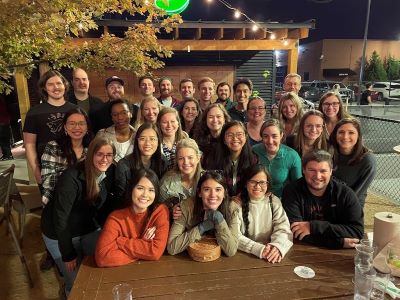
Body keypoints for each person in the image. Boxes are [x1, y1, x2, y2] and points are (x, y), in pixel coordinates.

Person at [41, 136, 117, 296]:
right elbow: (60, 219)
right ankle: (67, 292)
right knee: (77, 285)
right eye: (100, 154)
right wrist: (68, 253)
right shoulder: (71, 177)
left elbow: (105, 206)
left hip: (87, 227)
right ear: (91, 155)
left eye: (109, 155)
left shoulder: (108, 172)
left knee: (101, 266)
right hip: (60, 232)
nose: (105, 159)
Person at [282, 150, 364, 249]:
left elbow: (357, 232)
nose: (317, 176)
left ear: (331, 171)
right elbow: (296, 232)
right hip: (302, 248)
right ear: (303, 170)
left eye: (323, 171)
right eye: (312, 170)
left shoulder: (345, 194)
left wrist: (313, 227)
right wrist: (339, 242)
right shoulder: (292, 191)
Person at [95, 168, 170, 267]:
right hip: (119, 276)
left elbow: (155, 252)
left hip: (151, 272)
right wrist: (143, 247)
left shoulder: (160, 212)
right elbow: (102, 258)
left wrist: (121, 242)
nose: (145, 195)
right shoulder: (116, 218)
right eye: (140, 188)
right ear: (131, 189)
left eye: (151, 190)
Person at [23, 70, 77, 185]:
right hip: (47, 169)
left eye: (59, 83)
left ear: (65, 85)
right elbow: (29, 144)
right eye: (50, 84)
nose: (56, 87)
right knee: (50, 202)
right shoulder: (34, 113)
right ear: (44, 88)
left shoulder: (76, 110)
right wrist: (36, 170)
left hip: (74, 167)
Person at [167, 171, 239, 257]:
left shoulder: (232, 208)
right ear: (199, 193)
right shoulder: (186, 207)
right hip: (189, 259)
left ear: (224, 193)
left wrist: (219, 220)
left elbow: (231, 251)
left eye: (218, 189)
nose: (213, 195)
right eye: (207, 189)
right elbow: (172, 248)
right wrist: (201, 227)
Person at [233, 165, 293, 263]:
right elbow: (234, 235)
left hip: (270, 256)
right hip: (243, 256)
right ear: (245, 183)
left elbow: (283, 228)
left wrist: (278, 246)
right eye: (253, 181)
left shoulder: (274, 201)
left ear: (268, 184)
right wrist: (258, 248)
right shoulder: (236, 204)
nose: (257, 186)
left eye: (262, 182)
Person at [41, 108, 93, 205]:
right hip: (59, 199)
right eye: (72, 123)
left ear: (87, 127)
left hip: (86, 198)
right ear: (65, 127)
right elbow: (48, 182)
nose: (77, 127)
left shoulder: (93, 148)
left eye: (81, 123)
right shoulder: (53, 146)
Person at [329, 118, 376, 208]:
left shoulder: (367, 161)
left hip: (349, 206)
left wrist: (333, 206)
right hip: (329, 201)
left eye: (351, 132)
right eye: (341, 132)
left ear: (358, 136)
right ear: (335, 134)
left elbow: (355, 194)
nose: (345, 137)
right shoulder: (330, 153)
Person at [252, 119, 302, 198]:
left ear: (281, 135)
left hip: (282, 200)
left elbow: (298, 186)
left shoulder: (292, 156)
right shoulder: (253, 151)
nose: (270, 141)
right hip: (256, 198)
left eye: (274, 136)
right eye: (265, 136)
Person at [205, 121, 256, 196]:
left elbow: (254, 184)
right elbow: (211, 184)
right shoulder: (213, 158)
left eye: (239, 134)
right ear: (224, 140)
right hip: (220, 201)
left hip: (245, 201)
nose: (235, 138)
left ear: (246, 137)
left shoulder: (253, 159)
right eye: (230, 135)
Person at [115, 123, 165, 198]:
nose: (147, 143)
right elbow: (120, 197)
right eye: (142, 139)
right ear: (136, 141)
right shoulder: (124, 165)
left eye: (152, 139)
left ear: (158, 142)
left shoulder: (162, 161)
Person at [160, 138, 202, 211]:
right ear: (176, 160)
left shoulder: (208, 180)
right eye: (181, 158)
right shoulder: (167, 182)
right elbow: (160, 209)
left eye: (190, 157)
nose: (186, 162)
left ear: (198, 158)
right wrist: (171, 210)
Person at [67, 68, 105, 133]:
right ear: (72, 83)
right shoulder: (66, 103)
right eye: (77, 80)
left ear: (88, 82)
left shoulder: (99, 103)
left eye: (84, 79)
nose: (81, 82)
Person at [0, 95, 13, 160]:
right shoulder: (3, 100)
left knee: (3, 140)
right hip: (5, 121)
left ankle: (7, 155)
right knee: (4, 140)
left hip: (2, 121)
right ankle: (7, 154)